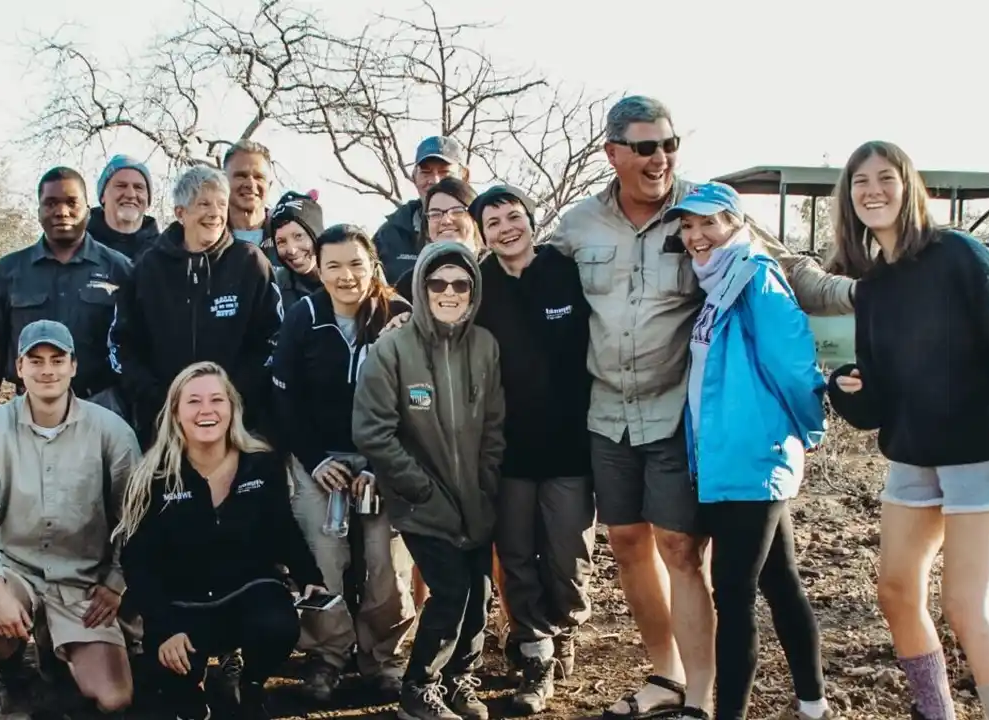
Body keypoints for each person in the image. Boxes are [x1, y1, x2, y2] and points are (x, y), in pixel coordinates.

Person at [547, 95, 856, 719]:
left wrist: (872, 291)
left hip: (677, 416)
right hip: (607, 412)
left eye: (667, 144)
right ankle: (664, 675)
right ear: (612, 154)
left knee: (684, 552)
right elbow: (520, 274)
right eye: (644, 147)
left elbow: (787, 270)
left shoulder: (706, 207)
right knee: (629, 544)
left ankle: (701, 695)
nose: (659, 158)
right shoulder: (579, 225)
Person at [826, 141, 989, 720]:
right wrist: (849, 388)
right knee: (896, 592)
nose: (873, 190)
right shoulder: (875, 284)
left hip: (984, 448)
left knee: (965, 605)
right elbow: (880, 399)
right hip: (916, 453)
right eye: (860, 181)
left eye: (886, 178)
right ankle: (938, 713)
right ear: (848, 197)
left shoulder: (958, 255)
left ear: (909, 187)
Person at [666, 182, 836, 720]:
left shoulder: (755, 276)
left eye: (708, 223)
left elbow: (792, 362)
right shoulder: (716, 283)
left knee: (733, 594)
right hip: (722, 459)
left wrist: (805, 433)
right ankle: (813, 704)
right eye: (688, 226)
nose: (696, 236)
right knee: (779, 579)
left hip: (753, 458)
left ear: (737, 224)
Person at [117, 361, 327, 720]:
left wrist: (310, 577)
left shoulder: (261, 464)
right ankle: (197, 682)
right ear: (176, 413)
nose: (206, 411)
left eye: (217, 400)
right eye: (193, 402)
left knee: (279, 625)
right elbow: (137, 563)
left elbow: (283, 529)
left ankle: (252, 683)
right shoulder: (154, 476)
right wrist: (164, 627)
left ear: (232, 408)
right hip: (182, 607)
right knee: (172, 697)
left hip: (248, 593)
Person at [0, 320, 140, 719]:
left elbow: (135, 518)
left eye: (58, 360)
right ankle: (11, 680)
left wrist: (116, 580)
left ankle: (55, 648)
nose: (47, 370)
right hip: (17, 569)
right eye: (35, 361)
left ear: (73, 366)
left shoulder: (111, 431)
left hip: (83, 580)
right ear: (19, 368)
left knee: (114, 699)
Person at [352, 241, 505, 720]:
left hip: (476, 501)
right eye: (437, 282)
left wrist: (485, 485)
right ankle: (419, 687)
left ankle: (461, 679)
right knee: (450, 592)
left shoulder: (485, 346)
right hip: (419, 501)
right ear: (421, 287)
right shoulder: (391, 349)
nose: (449, 292)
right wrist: (417, 487)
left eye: (461, 283)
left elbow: (495, 426)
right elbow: (372, 430)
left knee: (478, 597)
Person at [272, 223, 416, 701]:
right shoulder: (304, 316)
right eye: (333, 265)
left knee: (385, 562)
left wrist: (382, 463)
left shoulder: (397, 315)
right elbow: (285, 401)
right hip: (319, 457)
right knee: (324, 558)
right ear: (320, 267)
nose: (346, 275)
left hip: (385, 457)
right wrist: (314, 461)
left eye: (356, 263)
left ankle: (385, 657)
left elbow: (416, 402)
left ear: (373, 263)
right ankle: (327, 654)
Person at [468, 184, 595, 715]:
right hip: (508, 447)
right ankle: (534, 649)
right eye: (492, 221)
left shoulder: (567, 271)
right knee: (515, 553)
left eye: (513, 216)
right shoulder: (479, 282)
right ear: (482, 232)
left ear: (530, 219)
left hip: (570, 443)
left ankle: (565, 623)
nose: (505, 228)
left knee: (568, 556)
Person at [108, 164, 284, 447]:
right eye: (203, 203)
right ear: (181, 213)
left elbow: (273, 340)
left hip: (238, 426)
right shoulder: (148, 268)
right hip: (163, 427)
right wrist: (163, 399)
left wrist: (230, 397)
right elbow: (122, 345)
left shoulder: (250, 263)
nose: (215, 213)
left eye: (221, 204)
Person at [0, 167, 133, 419]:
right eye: (51, 203)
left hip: (101, 408)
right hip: (29, 410)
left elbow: (138, 345)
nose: (61, 211)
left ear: (87, 209)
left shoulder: (119, 268)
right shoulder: (10, 270)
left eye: (71, 202)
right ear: (39, 211)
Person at [0, 155, 160, 307]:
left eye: (139, 187)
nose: (130, 194)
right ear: (102, 195)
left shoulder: (165, 252)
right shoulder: (70, 240)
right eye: (120, 185)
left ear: (148, 198)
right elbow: (11, 284)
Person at [374, 135, 472, 283]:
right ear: (414, 176)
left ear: (464, 176)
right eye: (426, 172)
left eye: (445, 172)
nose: (435, 180)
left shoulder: (488, 228)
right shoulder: (389, 235)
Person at [393, 176, 480, 301]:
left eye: (457, 211)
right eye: (435, 214)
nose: (446, 220)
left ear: (474, 216)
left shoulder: (496, 269)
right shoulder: (410, 284)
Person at [224, 140, 281, 266]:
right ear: (223, 182)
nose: (250, 184)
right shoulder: (207, 238)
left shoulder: (287, 235)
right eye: (241, 176)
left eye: (259, 177)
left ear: (269, 185)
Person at [268, 189, 324, 310]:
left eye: (299, 236)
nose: (291, 250)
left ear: (316, 235)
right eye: (281, 242)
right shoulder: (276, 289)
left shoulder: (347, 274)